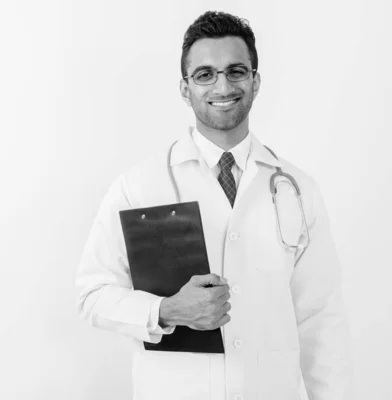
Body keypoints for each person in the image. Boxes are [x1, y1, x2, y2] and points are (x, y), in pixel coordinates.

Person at [75, 10, 352, 400]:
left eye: (236, 71)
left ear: (255, 82)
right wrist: (166, 311)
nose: (222, 85)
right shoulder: (139, 187)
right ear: (185, 89)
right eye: (205, 74)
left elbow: (321, 321)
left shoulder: (298, 190)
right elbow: (92, 294)